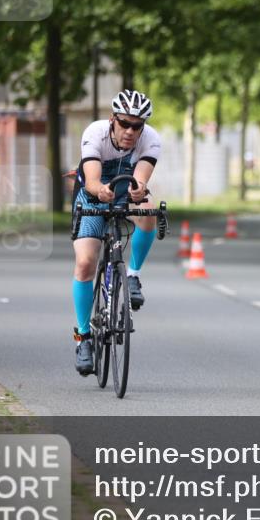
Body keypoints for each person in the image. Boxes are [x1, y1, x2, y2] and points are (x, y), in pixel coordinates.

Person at [70, 90, 162, 376]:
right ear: (113, 120)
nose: (131, 131)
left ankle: (132, 275)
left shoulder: (151, 138)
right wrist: (101, 192)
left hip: (124, 190)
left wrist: (139, 189)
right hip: (92, 195)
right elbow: (92, 181)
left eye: (138, 126)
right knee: (86, 262)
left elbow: (142, 177)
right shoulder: (95, 133)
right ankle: (83, 337)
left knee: (150, 209)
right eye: (125, 123)